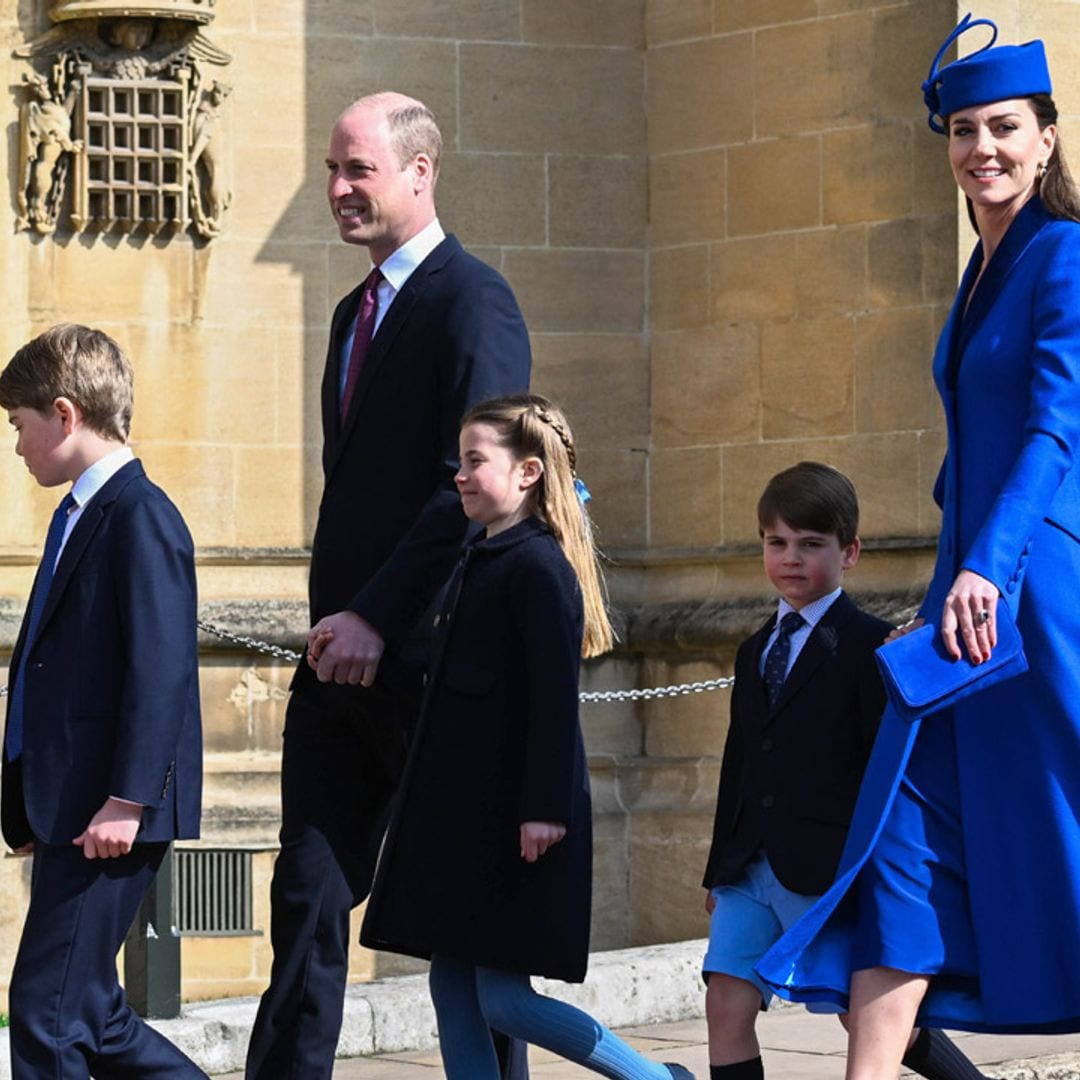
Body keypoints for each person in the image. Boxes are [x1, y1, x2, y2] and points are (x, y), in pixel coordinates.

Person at [756, 15, 1080, 1077]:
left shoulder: (1065, 254)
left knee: (1058, 834)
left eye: (1003, 128)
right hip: (968, 595)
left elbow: (1054, 426)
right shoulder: (983, 266)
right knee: (900, 843)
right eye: (963, 131)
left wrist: (987, 562)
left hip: (1037, 593)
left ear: (1045, 138)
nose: (981, 148)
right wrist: (951, 562)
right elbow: (973, 443)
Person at [244, 92, 532, 1079]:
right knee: (307, 898)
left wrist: (379, 613)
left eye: (357, 169)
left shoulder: (474, 300)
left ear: (421, 172)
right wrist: (341, 623)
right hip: (341, 670)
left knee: (466, 922)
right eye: (331, 169)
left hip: (437, 664)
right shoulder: (347, 316)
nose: (336, 190)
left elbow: (484, 490)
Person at [354, 393, 694, 1079]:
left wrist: (541, 809)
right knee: (452, 988)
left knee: (504, 999)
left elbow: (548, 703)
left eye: (476, 461)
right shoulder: (478, 558)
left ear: (528, 472)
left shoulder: (536, 568)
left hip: (514, 822)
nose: (460, 474)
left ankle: (655, 1078)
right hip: (462, 822)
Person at [702, 463, 985, 1080]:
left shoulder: (871, 645)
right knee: (725, 1002)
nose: (791, 559)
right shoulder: (753, 651)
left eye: (810, 544)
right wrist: (717, 864)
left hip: (828, 867)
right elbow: (741, 759)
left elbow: (888, 767)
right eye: (777, 544)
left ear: (849, 552)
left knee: (870, 1022)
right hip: (749, 865)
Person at [0, 324, 205, 1078]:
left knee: (47, 1014)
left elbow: (161, 671)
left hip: (106, 810)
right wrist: (24, 801)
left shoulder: (139, 514)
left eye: (19, 427)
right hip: (70, 807)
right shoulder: (80, 512)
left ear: (63, 414)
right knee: (90, 1012)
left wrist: (127, 800)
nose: (17, 447)